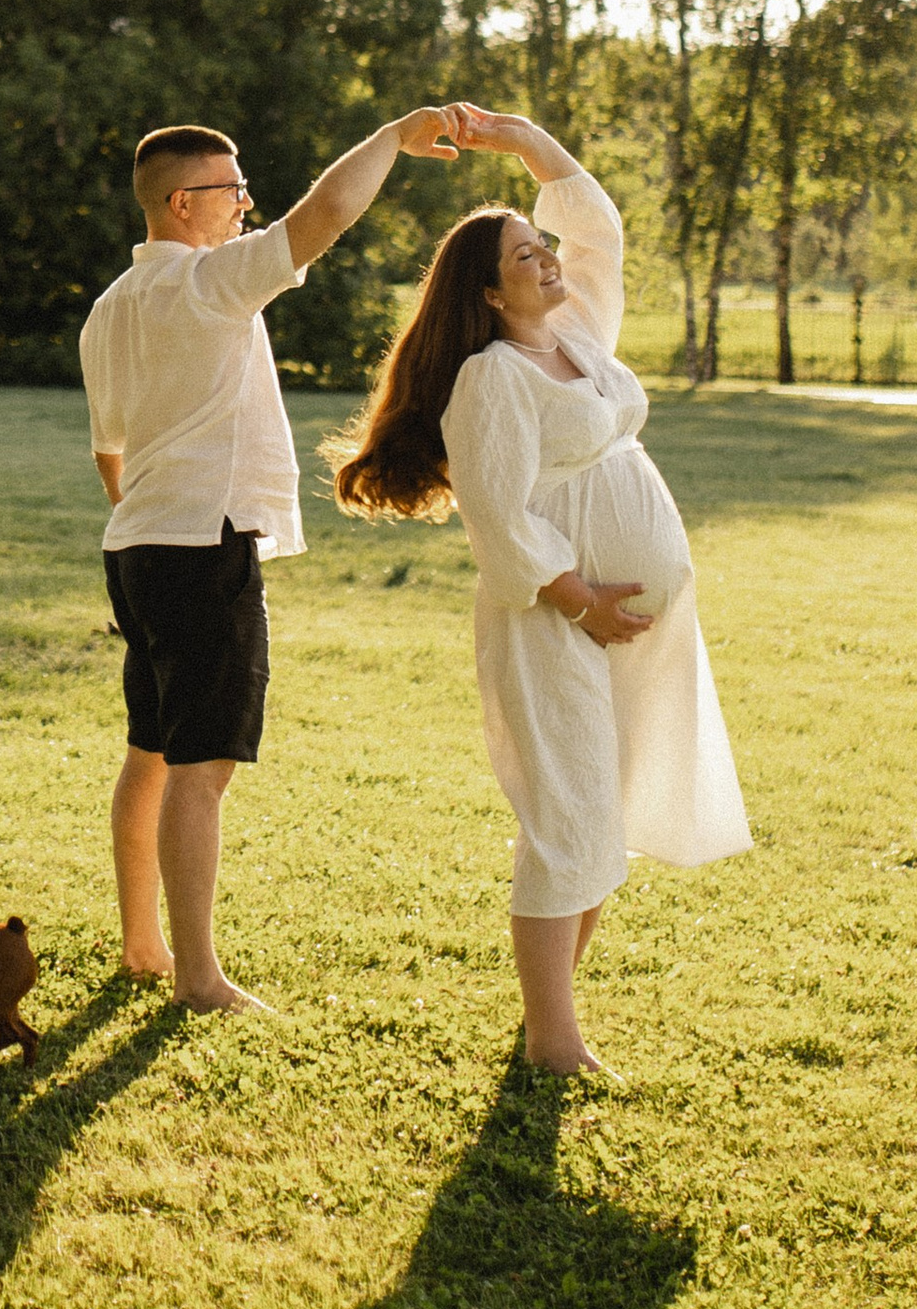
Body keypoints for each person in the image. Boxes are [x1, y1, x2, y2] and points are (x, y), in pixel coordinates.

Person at [332, 105, 750, 1072]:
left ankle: (542, 1028)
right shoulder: (492, 378)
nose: (549, 261)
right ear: (487, 292)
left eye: (539, 248)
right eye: (526, 257)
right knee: (568, 816)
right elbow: (498, 514)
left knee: (605, 815)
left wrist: (520, 136)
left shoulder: (583, 338)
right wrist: (582, 600)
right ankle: (555, 1043)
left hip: (632, 624)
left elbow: (597, 226)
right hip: (557, 619)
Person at [82, 108, 462, 1010]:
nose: (247, 200)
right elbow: (322, 218)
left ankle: (145, 945)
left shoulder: (109, 308)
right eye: (232, 187)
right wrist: (392, 138)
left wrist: (149, 517)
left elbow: (111, 450)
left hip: (137, 545)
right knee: (201, 768)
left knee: (150, 752)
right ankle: (197, 977)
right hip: (200, 545)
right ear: (183, 203)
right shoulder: (209, 283)